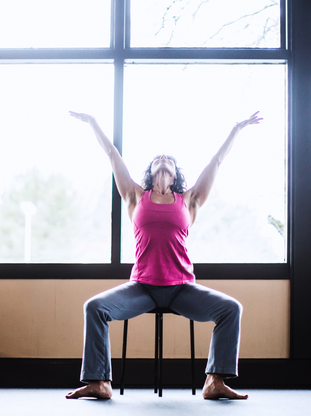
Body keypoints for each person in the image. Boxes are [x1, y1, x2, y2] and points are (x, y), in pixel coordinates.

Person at [66, 110, 262, 400]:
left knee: (231, 308)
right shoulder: (135, 196)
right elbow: (111, 153)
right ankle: (99, 383)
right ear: (151, 170)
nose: (163, 158)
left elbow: (216, 162)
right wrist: (93, 122)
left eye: (168, 159)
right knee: (94, 307)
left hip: (181, 289)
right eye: (158, 158)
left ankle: (214, 381)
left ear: (175, 172)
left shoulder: (189, 200)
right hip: (142, 288)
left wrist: (236, 129)